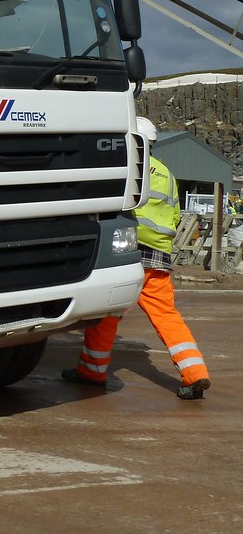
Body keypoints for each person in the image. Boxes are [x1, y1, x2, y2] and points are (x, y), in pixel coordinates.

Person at [62, 117, 211, 400]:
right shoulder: (167, 174)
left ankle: (93, 372)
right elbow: (176, 216)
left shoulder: (127, 166)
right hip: (159, 256)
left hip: (126, 249)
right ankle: (196, 374)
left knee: (109, 312)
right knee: (166, 316)